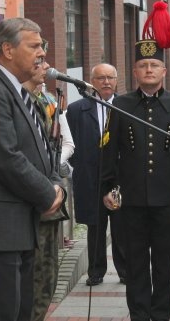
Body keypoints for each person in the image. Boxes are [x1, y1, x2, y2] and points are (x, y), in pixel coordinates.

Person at [101, 1, 170, 321]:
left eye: (155, 65)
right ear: (135, 71)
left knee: (164, 264)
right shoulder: (121, 104)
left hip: (167, 199)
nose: (150, 70)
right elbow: (109, 151)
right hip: (132, 199)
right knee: (137, 264)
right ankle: (139, 315)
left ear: (164, 70)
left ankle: (161, 315)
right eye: (144, 66)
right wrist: (108, 188)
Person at [0, 18, 65, 321]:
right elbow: (5, 156)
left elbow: (44, 148)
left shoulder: (17, 90)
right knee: (4, 311)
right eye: (34, 46)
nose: (42, 53)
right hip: (4, 227)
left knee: (22, 309)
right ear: (8, 49)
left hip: (23, 223)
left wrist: (56, 183)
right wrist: (47, 193)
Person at [66, 63, 128, 286]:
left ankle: (125, 272)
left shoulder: (126, 107)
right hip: (91, 178)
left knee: (122, 227)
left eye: (110, 77)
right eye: (101, 78)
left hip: (120, 179)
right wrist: (81, 164)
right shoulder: (76, 110)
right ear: (92, 81)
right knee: (95, 227)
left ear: (117, 80)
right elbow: (69, 143)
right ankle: (95, 272)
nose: (106, 82)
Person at [24, 57, 75, 321]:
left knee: (47, 276)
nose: (47, 67)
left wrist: (55, 173)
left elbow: (65, 143)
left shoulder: (48, 101)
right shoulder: (14, 100)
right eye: (39, 60)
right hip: (25, 202)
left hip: (50, 194)